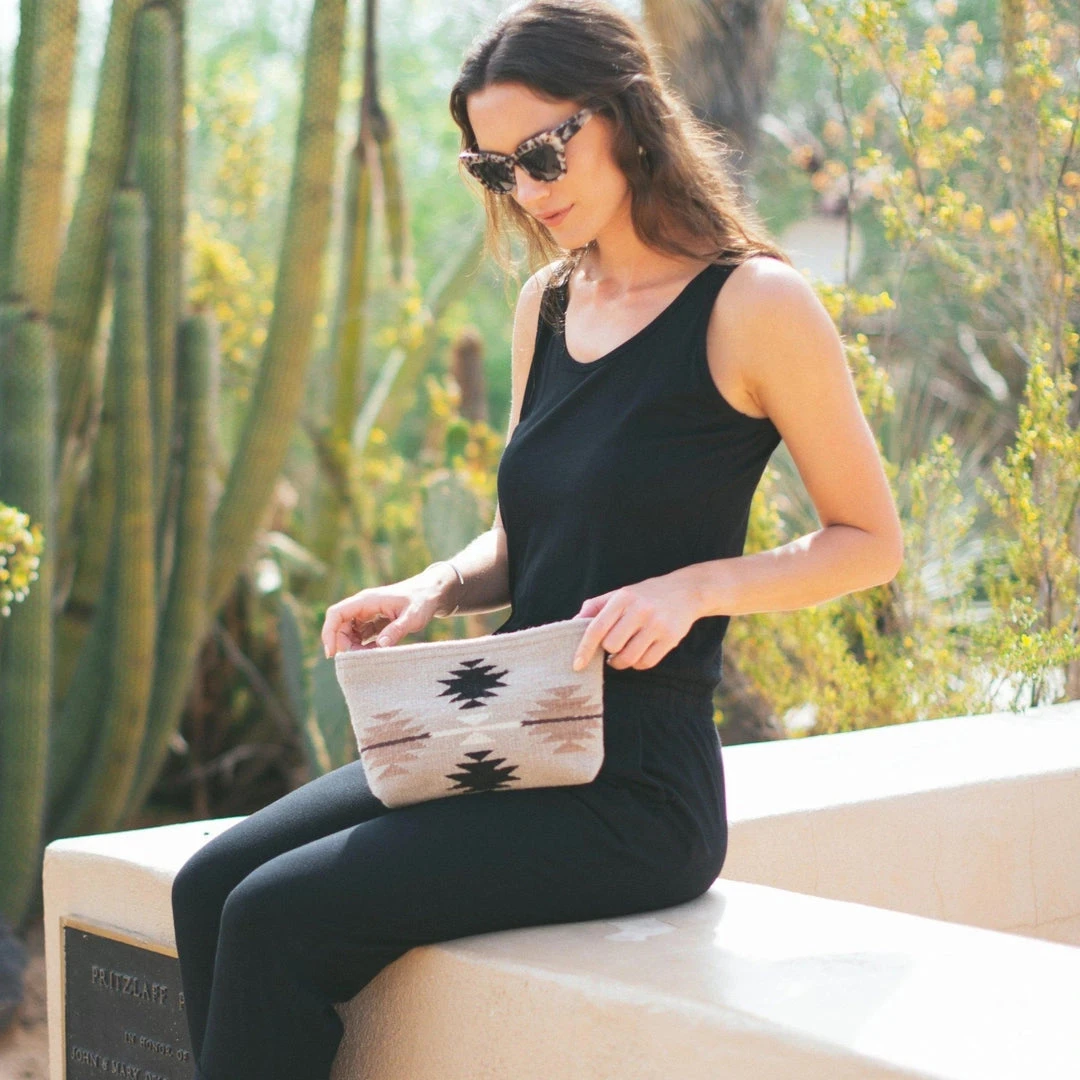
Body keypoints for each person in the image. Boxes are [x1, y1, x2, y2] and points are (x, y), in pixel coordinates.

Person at [170, 1, 904, 1077]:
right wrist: (433, 585)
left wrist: (694, 588)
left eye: (544, 152)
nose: (526, 187)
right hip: (507, 728)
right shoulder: (549, 305)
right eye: (494, 167)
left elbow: (869, 540)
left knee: (275, 917)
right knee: (207, 885)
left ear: (627, 114)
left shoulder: (755, 304)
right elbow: (524, 533)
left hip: (633, 787)